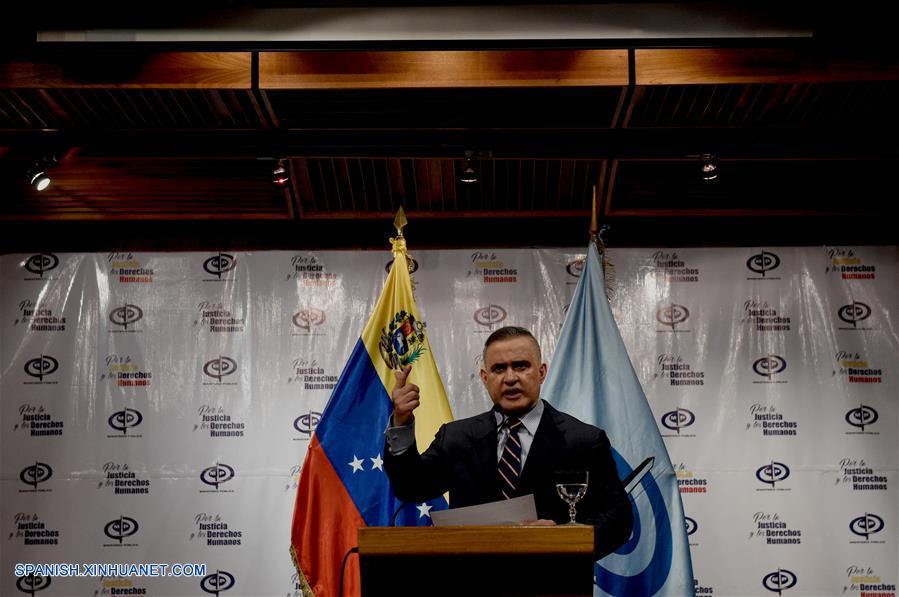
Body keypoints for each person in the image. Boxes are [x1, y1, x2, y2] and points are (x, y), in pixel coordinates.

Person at [384, 325, 633, 558]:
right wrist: (401, 423)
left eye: (521, 366)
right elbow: (410, 487)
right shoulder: (457, 438)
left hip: (553, 583)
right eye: (499, 369)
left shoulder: (583, 440)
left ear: (541, 372)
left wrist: (563, 537)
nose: (510, 378)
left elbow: (619, 520)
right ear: (484, 376)